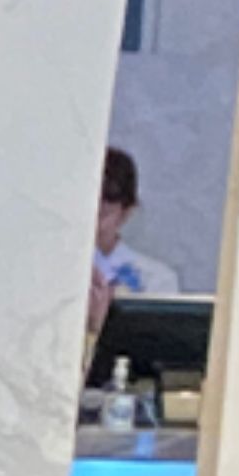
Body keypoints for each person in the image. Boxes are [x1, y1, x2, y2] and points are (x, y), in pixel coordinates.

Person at [88, 144, 179, 347]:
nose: (91, 222)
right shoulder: (53, 270)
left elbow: (157, 347)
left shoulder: (156, 279)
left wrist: (103, 325)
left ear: (126, 212)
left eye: (103, 213)